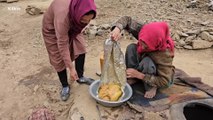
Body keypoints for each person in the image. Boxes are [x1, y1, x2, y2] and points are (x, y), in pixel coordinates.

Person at [42, 0, 96, 101]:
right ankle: (65, 86)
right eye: (84, 21)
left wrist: (81, 22)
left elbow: (83, 21)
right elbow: (62, 44)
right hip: (52, 29)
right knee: (57, 57)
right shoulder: (62, 17)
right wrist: (71, 68)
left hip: (73, 23)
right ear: (78, 13)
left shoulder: (82, 9)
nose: (86, 23)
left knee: (80, 47)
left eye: (89, 20)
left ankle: (80, 77)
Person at [110, 16, 175, 98]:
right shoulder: (145, 31)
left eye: (146, 46)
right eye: (141, 42)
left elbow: (165, 81)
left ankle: (150, 86)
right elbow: (127, 20)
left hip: (155, 73)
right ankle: (133, 77)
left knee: (147, 62)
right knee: (132, 47)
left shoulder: (165, 54)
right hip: (144, 60)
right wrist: (117, 29)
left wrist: (140, 75)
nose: (142, 47)